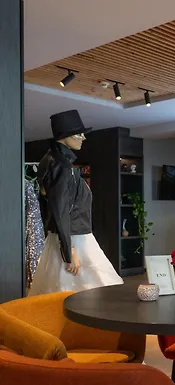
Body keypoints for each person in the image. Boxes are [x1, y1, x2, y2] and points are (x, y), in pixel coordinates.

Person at [28, 110, 123, 295]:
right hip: (74, 239)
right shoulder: (61, 166)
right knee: (86, 291)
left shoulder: (55, 162)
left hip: (69, 237)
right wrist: (69, 250)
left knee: (73, 291)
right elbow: (60, 209)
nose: (83, 138)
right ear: (65, 137)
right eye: (79, 134)